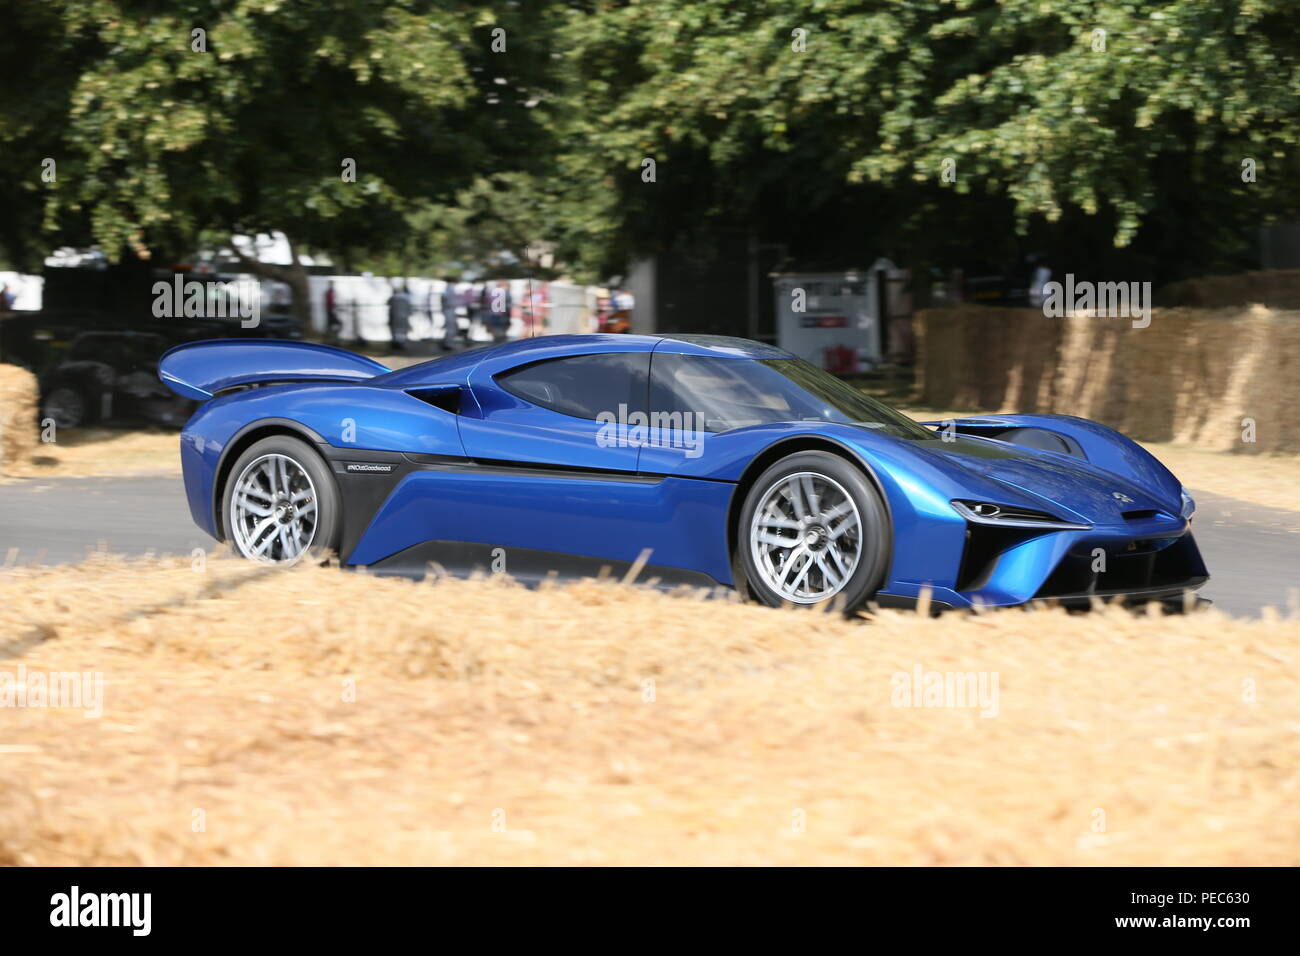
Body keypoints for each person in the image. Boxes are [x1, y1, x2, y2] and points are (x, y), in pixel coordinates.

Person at [387, 280, 411, 352]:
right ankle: (401, 343)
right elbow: (409, 308)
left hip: (395, 316)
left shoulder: (393, 298)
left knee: (396, 330)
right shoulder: (406, 298)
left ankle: (397, 342)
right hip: (403, 316)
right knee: (403, 330)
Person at [440, 278, 460, 351]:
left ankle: (448, 343)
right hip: (449, 309)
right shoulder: (450, 289)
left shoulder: (449, 289)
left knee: (451, 328)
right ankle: (448, 344)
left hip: (449, 309)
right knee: (450, 328)